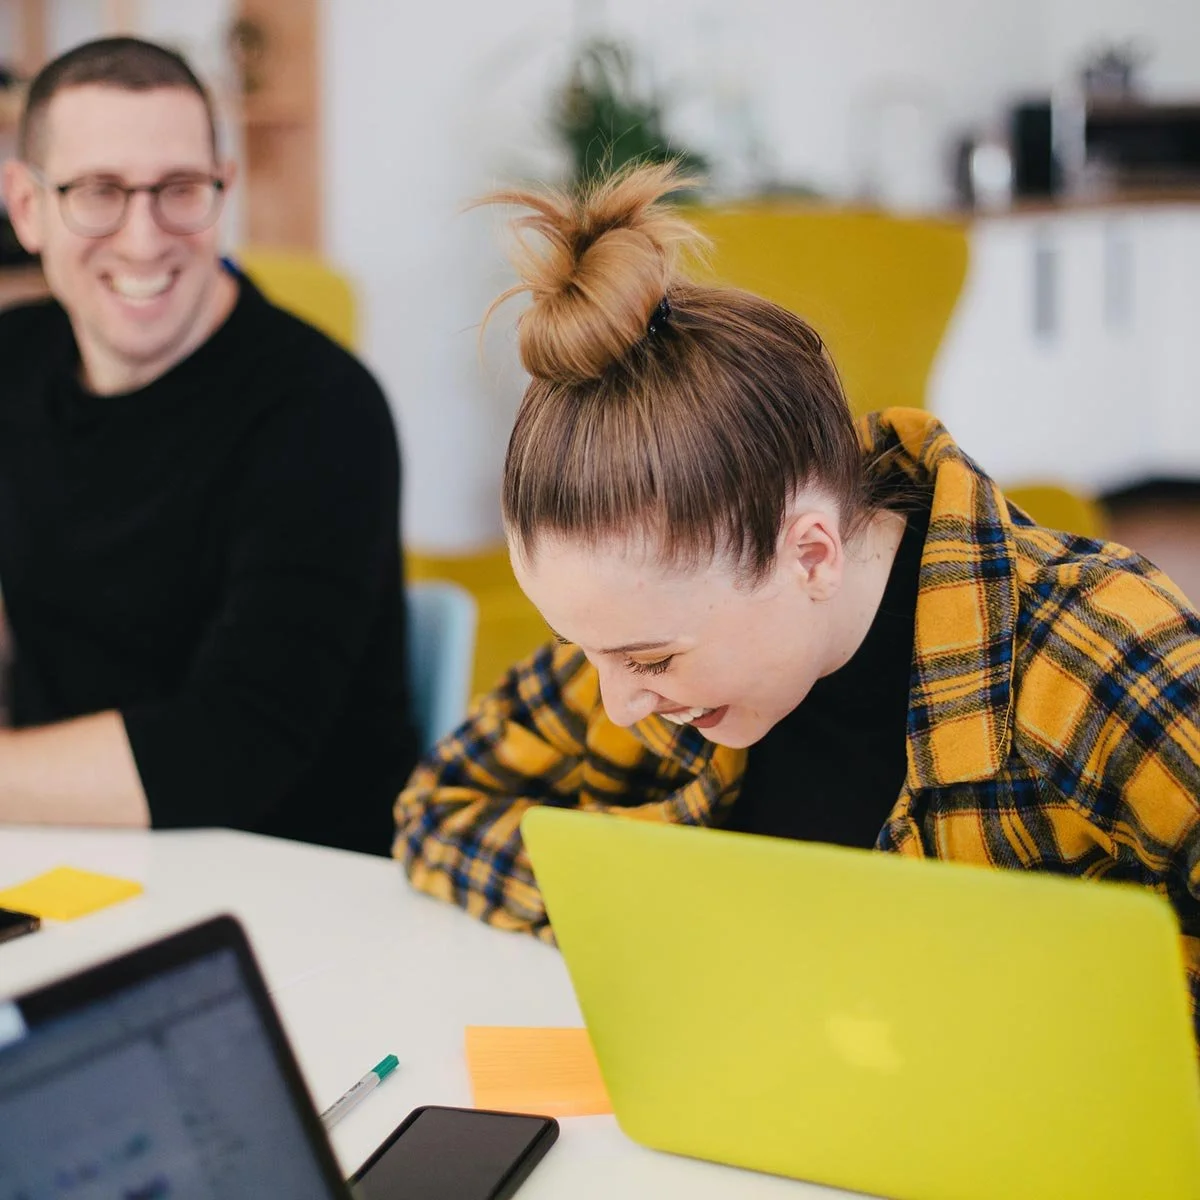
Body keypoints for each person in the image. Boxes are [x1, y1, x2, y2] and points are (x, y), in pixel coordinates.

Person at [395, 163, 1200, 1038]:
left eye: (650, 661)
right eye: (585, 648)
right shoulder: (642, 628)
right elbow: (437, 810)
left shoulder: (1101, 657)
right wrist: (664, 904)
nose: (620, 705)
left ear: (810, 553)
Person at [0, 37, 417, 854]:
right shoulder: (13, 361)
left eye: (179, 190)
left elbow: (231, 750)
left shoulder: (323, 411)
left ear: (221, 191)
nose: (144, 238)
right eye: (98, 192)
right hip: (66, 850)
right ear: (26, 208)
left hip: (293, 882)